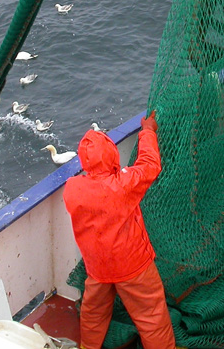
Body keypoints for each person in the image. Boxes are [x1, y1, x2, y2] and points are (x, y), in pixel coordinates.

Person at [63, 111, 176, 349]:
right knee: (151, 314)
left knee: (93, 312)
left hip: (97, 267)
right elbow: (150, 164)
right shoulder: (124, 185)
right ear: (112, 154)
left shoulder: (72, 189)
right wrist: (147, 131)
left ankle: (88, 346)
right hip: (133, 265)